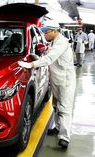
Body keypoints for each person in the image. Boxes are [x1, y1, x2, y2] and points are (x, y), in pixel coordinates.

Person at [18, 19, 76, 149]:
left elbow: (50, 58)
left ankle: (64, 138)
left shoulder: (61, 43)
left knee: (65, 108)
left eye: (46, 32)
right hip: (56, 80)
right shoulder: (54, 42)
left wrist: (31, 64)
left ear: (55, 31)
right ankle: (58, 128)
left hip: (65, 81)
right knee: (56, 106)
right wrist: (36, 58)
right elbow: (48, 55)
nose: (44, 35)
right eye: (43, 32)